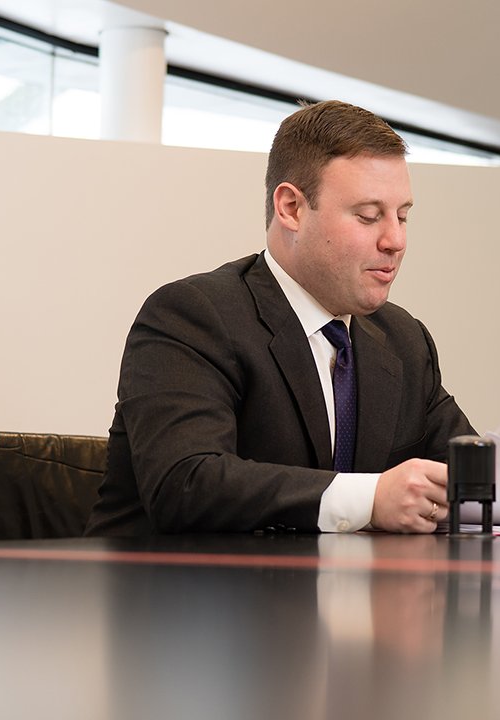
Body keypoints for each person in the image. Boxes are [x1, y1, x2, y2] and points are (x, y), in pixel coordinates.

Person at [85, 100, 475, 536]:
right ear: (291, 208)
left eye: (403, 216)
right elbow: (186, 483)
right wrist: (371, 497)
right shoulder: (192, 316)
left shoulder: (403, 339)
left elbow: (470, 477)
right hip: (174, 596)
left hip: (337, 598)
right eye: (369, 216)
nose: (395, 240)